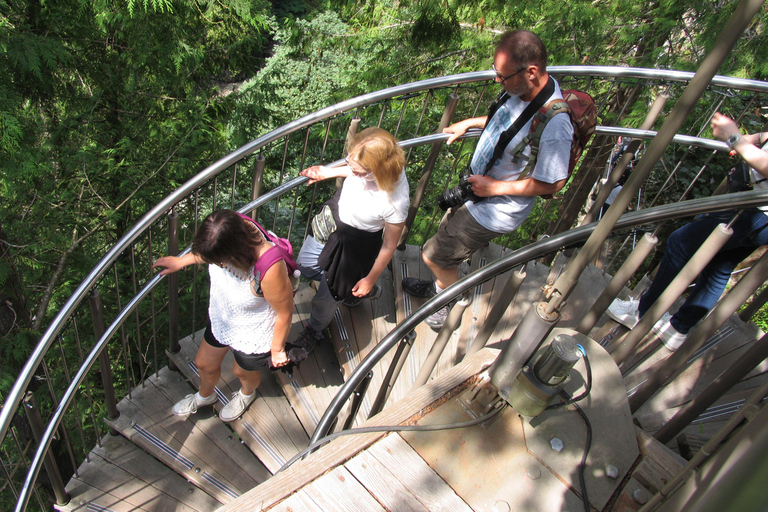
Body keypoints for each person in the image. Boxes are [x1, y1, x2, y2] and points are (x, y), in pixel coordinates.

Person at [402, 30, 574, 329]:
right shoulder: (521, 90)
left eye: (503, 76)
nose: (498, 80)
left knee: (433, 255)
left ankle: (448, 303)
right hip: (477, 192)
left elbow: (554, 182)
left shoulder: (556, 123)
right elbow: (508, 122)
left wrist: (495, 187)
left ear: (531, 72)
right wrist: (471, 122)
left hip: (495, 208)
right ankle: (440, 287)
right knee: (446, 243)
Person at [608, 112, 768, 350]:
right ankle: (678, 328)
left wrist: (735, 138)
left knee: (679, 242)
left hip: (754, 211)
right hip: (759, 217)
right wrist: (755, 138)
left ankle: (644, 312)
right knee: (719, 267)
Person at [153, 210, 292, 421]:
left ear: (232, 253)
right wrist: (182, 261)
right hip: (225, 315)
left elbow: (284, 311)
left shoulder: (270, 266)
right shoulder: (228, 227)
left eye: (217, 261)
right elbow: (211, 249)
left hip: (254, 328)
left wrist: (278, 349)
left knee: (241, 371)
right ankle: (204, 396)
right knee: (204, 363)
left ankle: (246, 394)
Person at [293, 127, 409, 352]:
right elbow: (354, 168)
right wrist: (329, 172)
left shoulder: (394, 200)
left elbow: (389, 245)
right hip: (335, 218)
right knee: (305, 265)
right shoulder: (370, 163)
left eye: (357, 170)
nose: (350, 169)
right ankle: (348, 291)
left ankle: (315, 328)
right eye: (349, 160)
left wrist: (369, 279)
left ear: (377, 172)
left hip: (356, 244)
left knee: (330, 293)